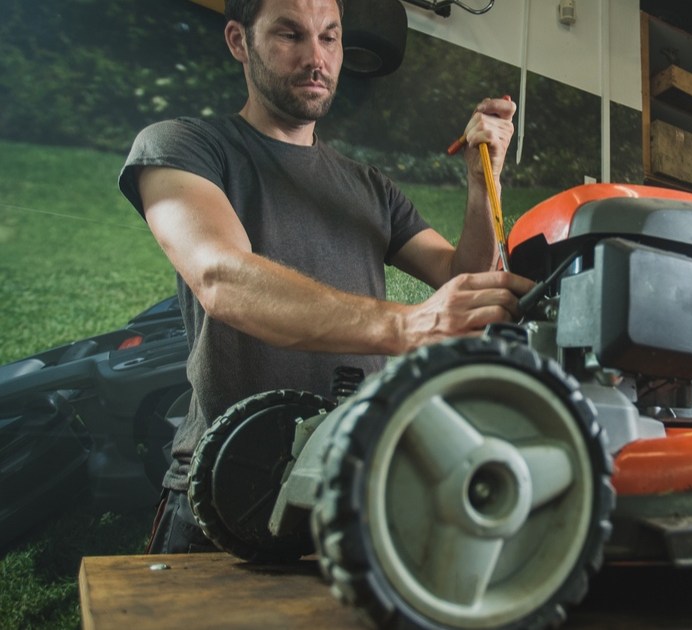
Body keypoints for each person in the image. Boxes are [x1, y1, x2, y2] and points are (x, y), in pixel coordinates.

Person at [118, 0, 532, 553]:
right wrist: (408, 326)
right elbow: (222, 278)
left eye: (330, 38)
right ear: (240, 41)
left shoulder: (370, 187)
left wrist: (485, 182)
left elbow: (463, 276)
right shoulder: (183, 146)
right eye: (291, 34)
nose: (317, 58)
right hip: (227, 489)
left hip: (350, 487)